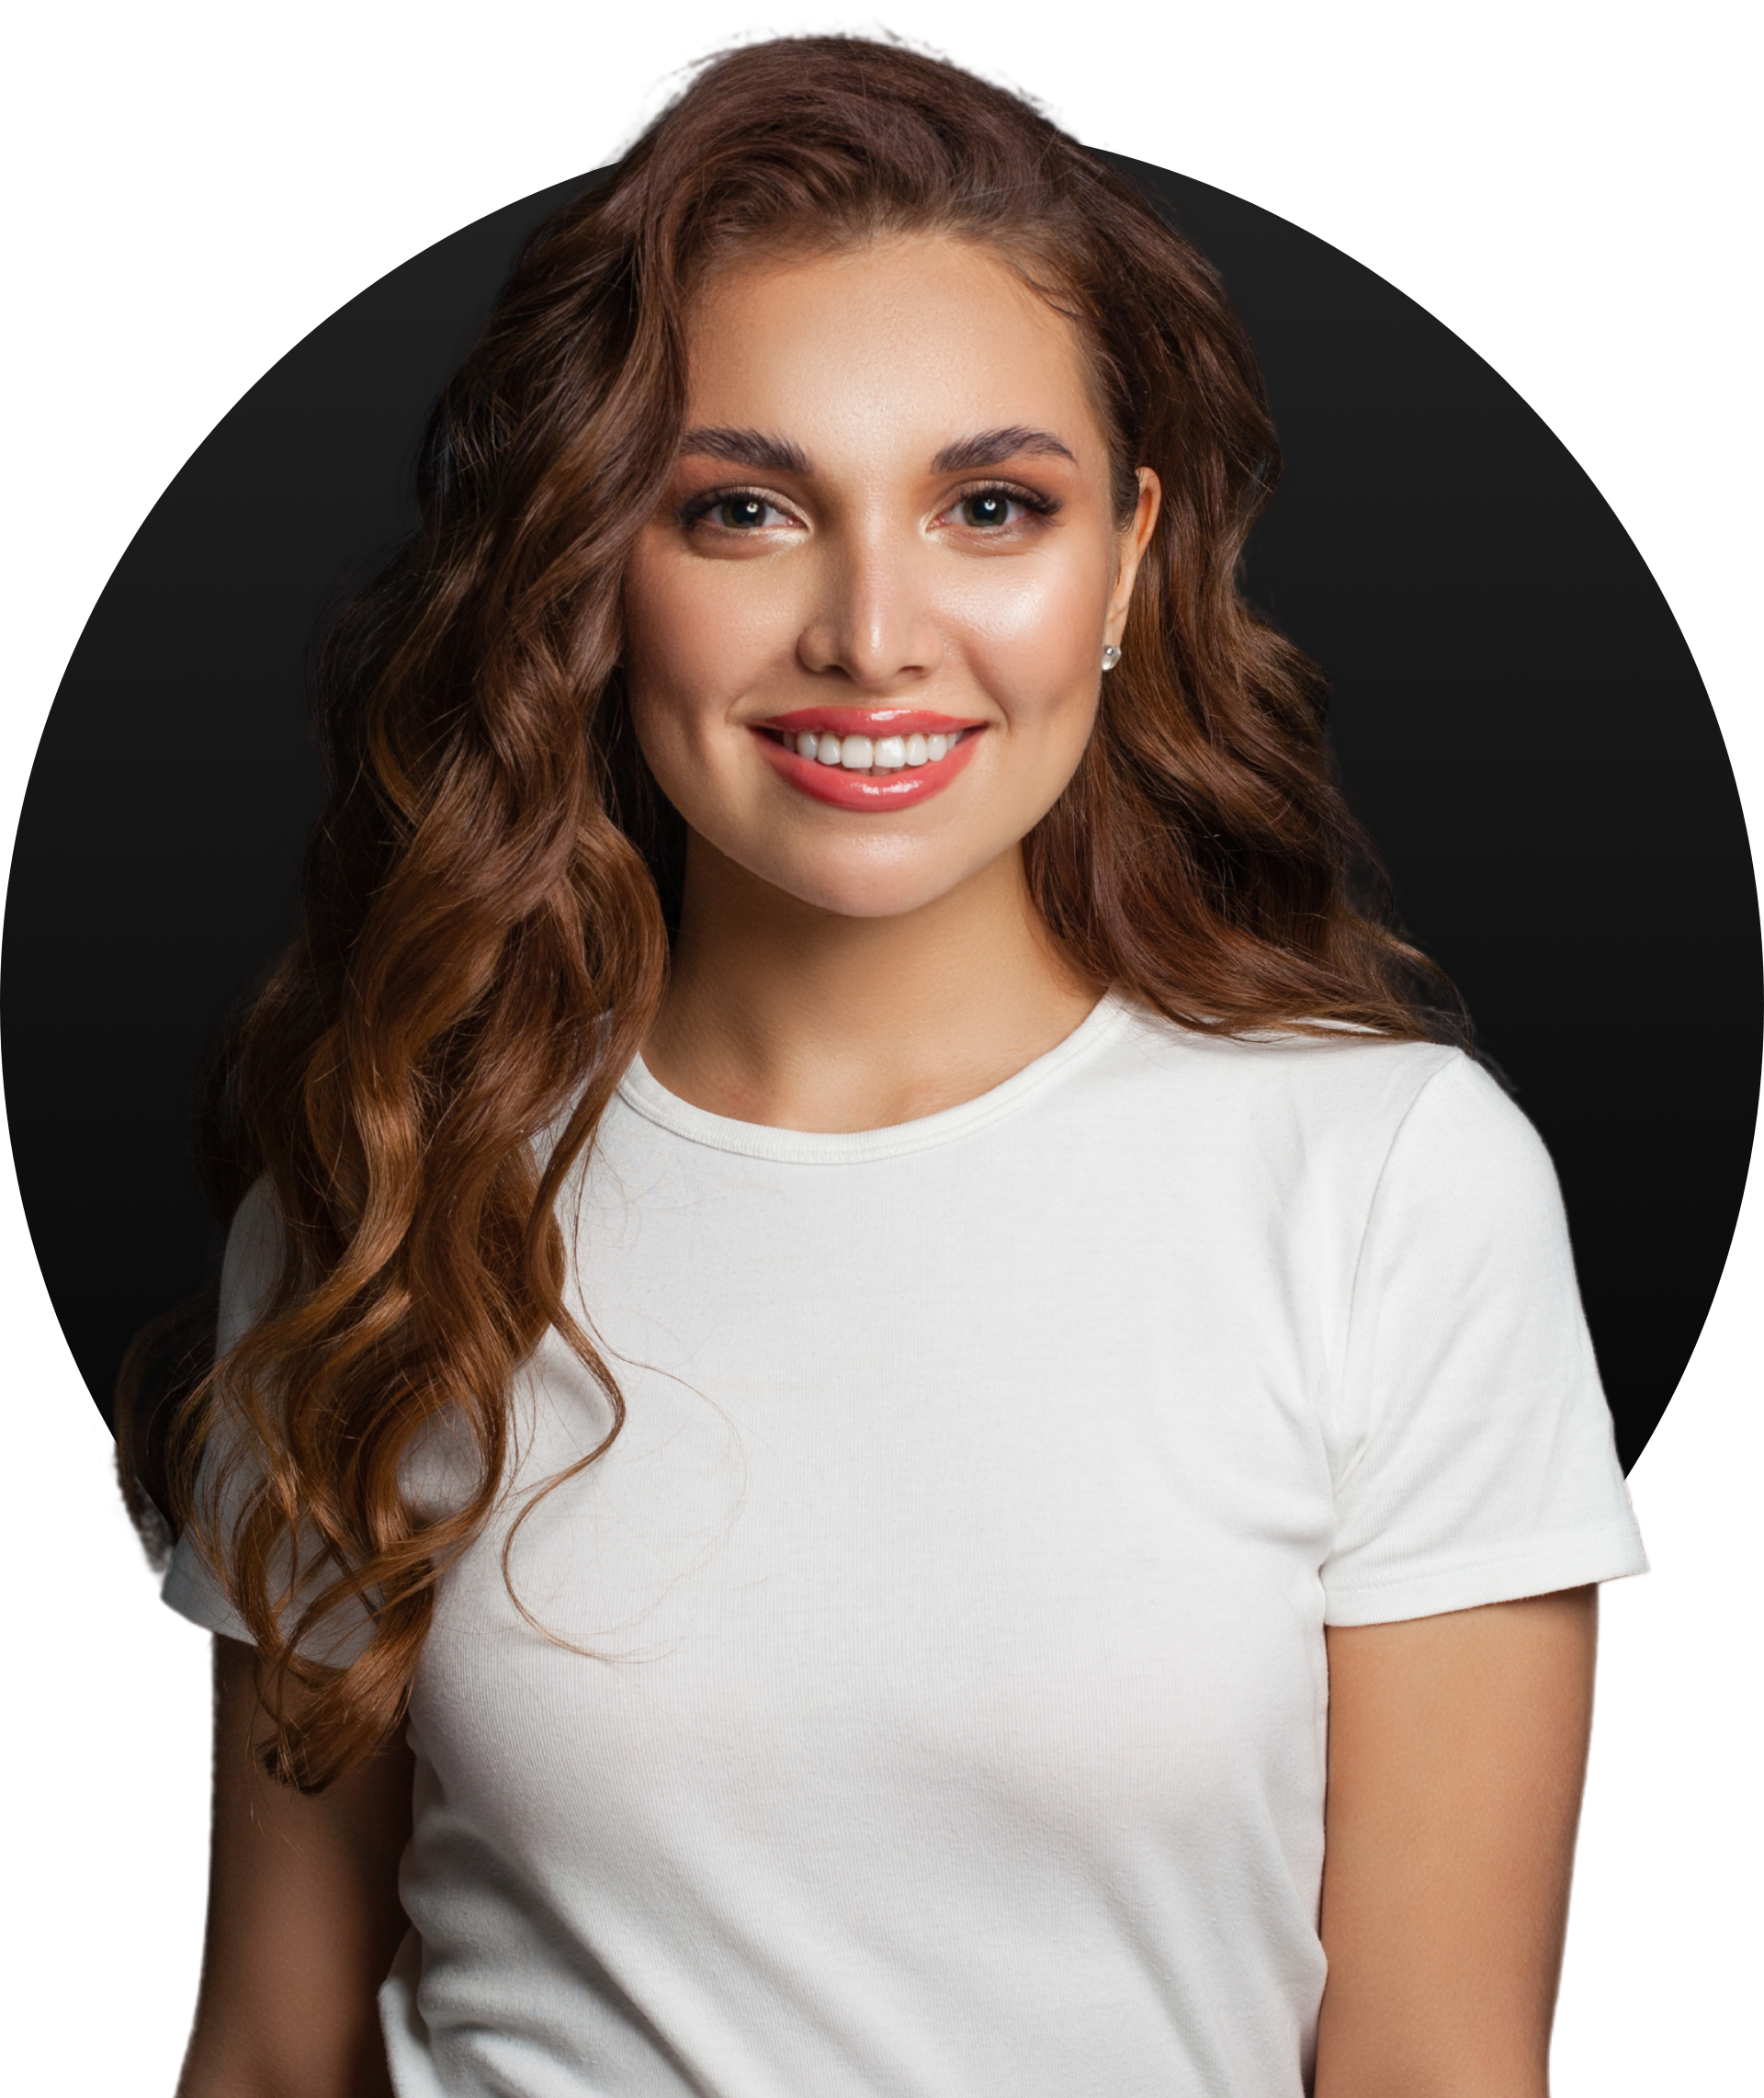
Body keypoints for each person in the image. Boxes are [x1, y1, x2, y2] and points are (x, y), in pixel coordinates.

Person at [124, 22, 1650, 2097]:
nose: (870, 630)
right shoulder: (391, 1173)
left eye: (988, 506)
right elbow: (275, 2048)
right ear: (599, 567)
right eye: (746, 508)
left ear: (1121, 559)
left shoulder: (1390, 1183)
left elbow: (1439, 2068)